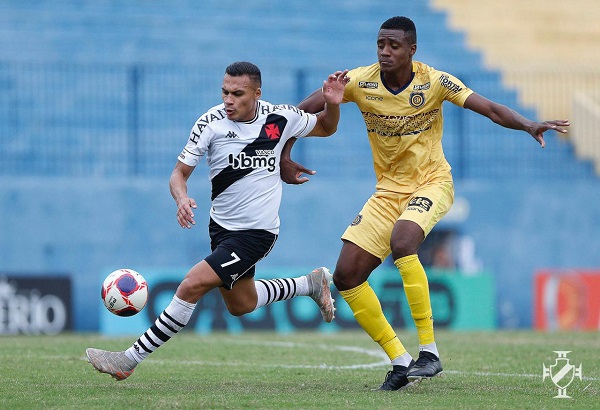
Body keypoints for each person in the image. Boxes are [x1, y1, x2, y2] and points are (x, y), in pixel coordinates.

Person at [280, 16, 570, 391]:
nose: (385, 52)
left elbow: (490, 108)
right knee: (346, 276)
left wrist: (528, 124)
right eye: (381, 44)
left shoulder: (435, 81)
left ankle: (429, 353)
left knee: (403, 243)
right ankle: (401, 362)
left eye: (394, 46)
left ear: (412, 50)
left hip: (432, 183)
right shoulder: (358, 80)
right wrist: (284, 151)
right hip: (387, 191)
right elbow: (296, 115)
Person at [86, 61, 350, 381]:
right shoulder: (210, 123)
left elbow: (325, 126)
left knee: (191, 285)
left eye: (237, 93)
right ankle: (309, 284)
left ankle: (128, 360)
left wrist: (333, 106)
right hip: (221, 228)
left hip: (257, 232)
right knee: (242, 303)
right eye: (224, 91)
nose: (228, 99)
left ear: (256, 94)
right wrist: (181, 198)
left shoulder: (279, 119)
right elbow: (178, 174)